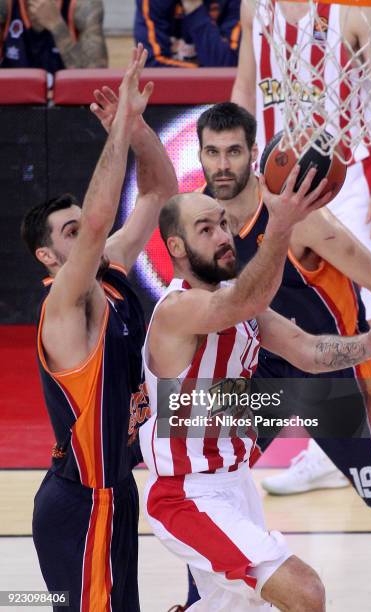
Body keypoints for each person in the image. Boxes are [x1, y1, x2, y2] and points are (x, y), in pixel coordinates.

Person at [173, 101, 371, 611]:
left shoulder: (300, 219)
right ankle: (199, 602)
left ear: (254, 155)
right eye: (212, 152)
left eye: (234, 151)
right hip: (265, 374)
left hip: (336, 371)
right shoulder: (203, 223)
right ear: (201, 155)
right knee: (211, 487)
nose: (222, 164)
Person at [20, 45, 177, 611]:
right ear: (47, 257)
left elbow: (160, 190)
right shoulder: (62, 305)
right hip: (80, 502)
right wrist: (117, 135)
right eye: (68, 234)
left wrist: (134, 129)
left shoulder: (105, 273)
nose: (83, 234)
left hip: (116, 491)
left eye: (77, 228)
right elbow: (96, 222)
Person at [231, 0, 371, 491]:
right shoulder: (255, 8)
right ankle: (329, 448)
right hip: (277, 188)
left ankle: (354, 449)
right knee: (303, 317)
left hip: (345, 180)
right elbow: (245, 87)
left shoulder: (351, 12)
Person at [0, 0, 108, 73]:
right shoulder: (5, 4)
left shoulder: (83, 5)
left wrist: (57, 26)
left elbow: (94, 81)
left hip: (68, 104)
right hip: (12, 103)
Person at [134, 0, 241, 67]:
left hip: (222, 94)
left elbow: (229, 65)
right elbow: (152, 63)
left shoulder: (238, 3)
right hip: (174, 93)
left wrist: (194, 8)